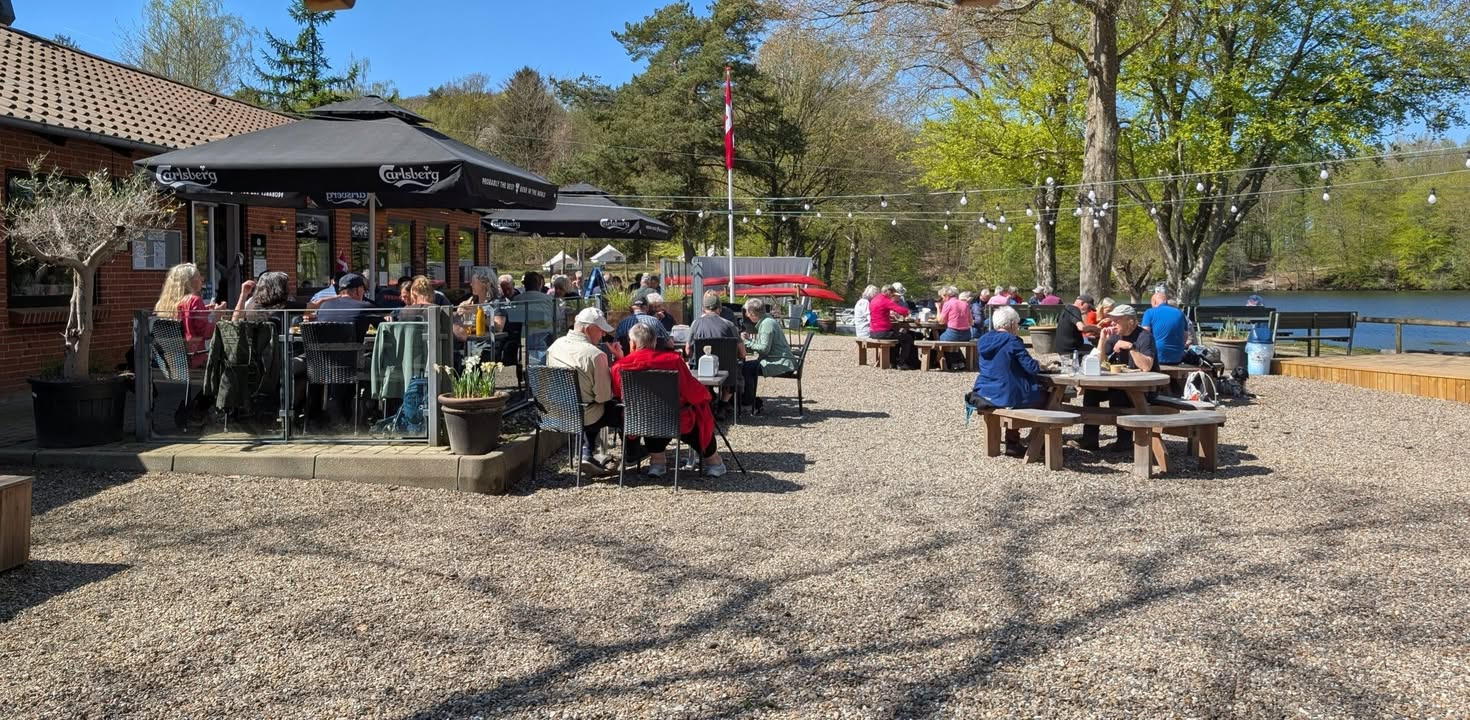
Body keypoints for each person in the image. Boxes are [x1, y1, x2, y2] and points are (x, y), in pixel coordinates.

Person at [613, 323, 728, 478]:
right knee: (699, 412)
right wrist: (707, 396)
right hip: (676, 418)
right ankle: (713, 462)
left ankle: (657, 462)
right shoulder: (673, 360)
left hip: (640, 420)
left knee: (650, 413)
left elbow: (618, 393)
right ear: (654, 342)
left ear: (632, 343)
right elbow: (692, 391)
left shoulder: (620, 366)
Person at [545, 306, 626, 475]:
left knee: (587, 399)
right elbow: (603, 396)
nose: (603, 335)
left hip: (556, 412)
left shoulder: (554, 346)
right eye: (601, 330)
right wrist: (619, 361)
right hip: (585, 414)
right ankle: (632, 453)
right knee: (619, 407)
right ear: (588, 329)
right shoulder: (595, 354)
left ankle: (587, 452)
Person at [1078, 304, 1157, 452]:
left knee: (1119, 395)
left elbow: (1147, 366)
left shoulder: (1144, 337)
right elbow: (1100, 363)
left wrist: (1131, 347)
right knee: (1091, 392)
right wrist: (1102, 340)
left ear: (1130, 322)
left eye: (1117, 320)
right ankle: (1090, 439)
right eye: (1112, 320)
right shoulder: (1115, 336)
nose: (1112, 324)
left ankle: (1124, 441)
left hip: (1144, 388)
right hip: (1119, 384)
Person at [970, 305, 1044, 457]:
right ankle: (1035, 442)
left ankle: (1014, 441)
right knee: (1046, 397)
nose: (1018, 327)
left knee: (1016, 389)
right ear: (1010, 324)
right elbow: (1031, 368)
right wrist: (1041, 365)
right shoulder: (1012, 340)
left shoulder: (983, 340)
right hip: (1005, 393)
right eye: (1017, 324)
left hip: (984, 391)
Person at [155, 263, 227, 368]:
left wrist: (204, 310)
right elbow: (206, 333)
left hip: (171, 360)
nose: (202, 279)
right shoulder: (194, 300)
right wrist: (218, 315)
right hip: (194, 359)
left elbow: (184, 319)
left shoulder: (165, 302)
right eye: (198, 276)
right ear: (189, 282)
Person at [739, 298, 795, 415]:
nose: (747, 315)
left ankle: (749, 403)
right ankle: (750, 401)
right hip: (780, 359)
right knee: (748, 367)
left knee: (746, 368)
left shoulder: (766, 324)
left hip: (779, 362)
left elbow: (764, 349)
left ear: (753, 313)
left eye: (747, 312)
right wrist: (749, 340)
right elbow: (764, 345)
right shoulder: (767, 320)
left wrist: (745, 342)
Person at [868, 284, 918, 369]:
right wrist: (908, 312)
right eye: (892, 293)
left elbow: (878, 313)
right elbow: (899, 309)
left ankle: (893, 361)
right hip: (882, 332)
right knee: (908, 338)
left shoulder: (874, 299)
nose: (892, 295)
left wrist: (888, 316)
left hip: (873, 331)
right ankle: (901, 363)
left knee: (897, 335)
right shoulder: (885, 300)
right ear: (888, 292)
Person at [687, 291, 745, 357]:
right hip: (726, 363)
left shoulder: (696, 324)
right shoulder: (730, 325)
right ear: (720, 308)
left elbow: (688, 351)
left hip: (703, 363)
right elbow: (743, 353)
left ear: (703, 309)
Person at [1141, 289, 1188, 365]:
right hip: (1177, 357)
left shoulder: (1150, 312)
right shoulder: (1179, 313)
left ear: (1154, 302)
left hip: (1157, 357)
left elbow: (1144, 334)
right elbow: (1185, 336)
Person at [1054, 294, 1098, 360]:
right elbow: (1081, 328)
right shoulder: (1075, 309)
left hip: (1061, 348)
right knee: (1097, 352)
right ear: (1082, 303)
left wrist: (1091, 330)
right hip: (1071, 350)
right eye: (1089, 307)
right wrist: (1095, 328)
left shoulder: (1066, 308)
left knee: (1088, 344)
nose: (1089, 311)